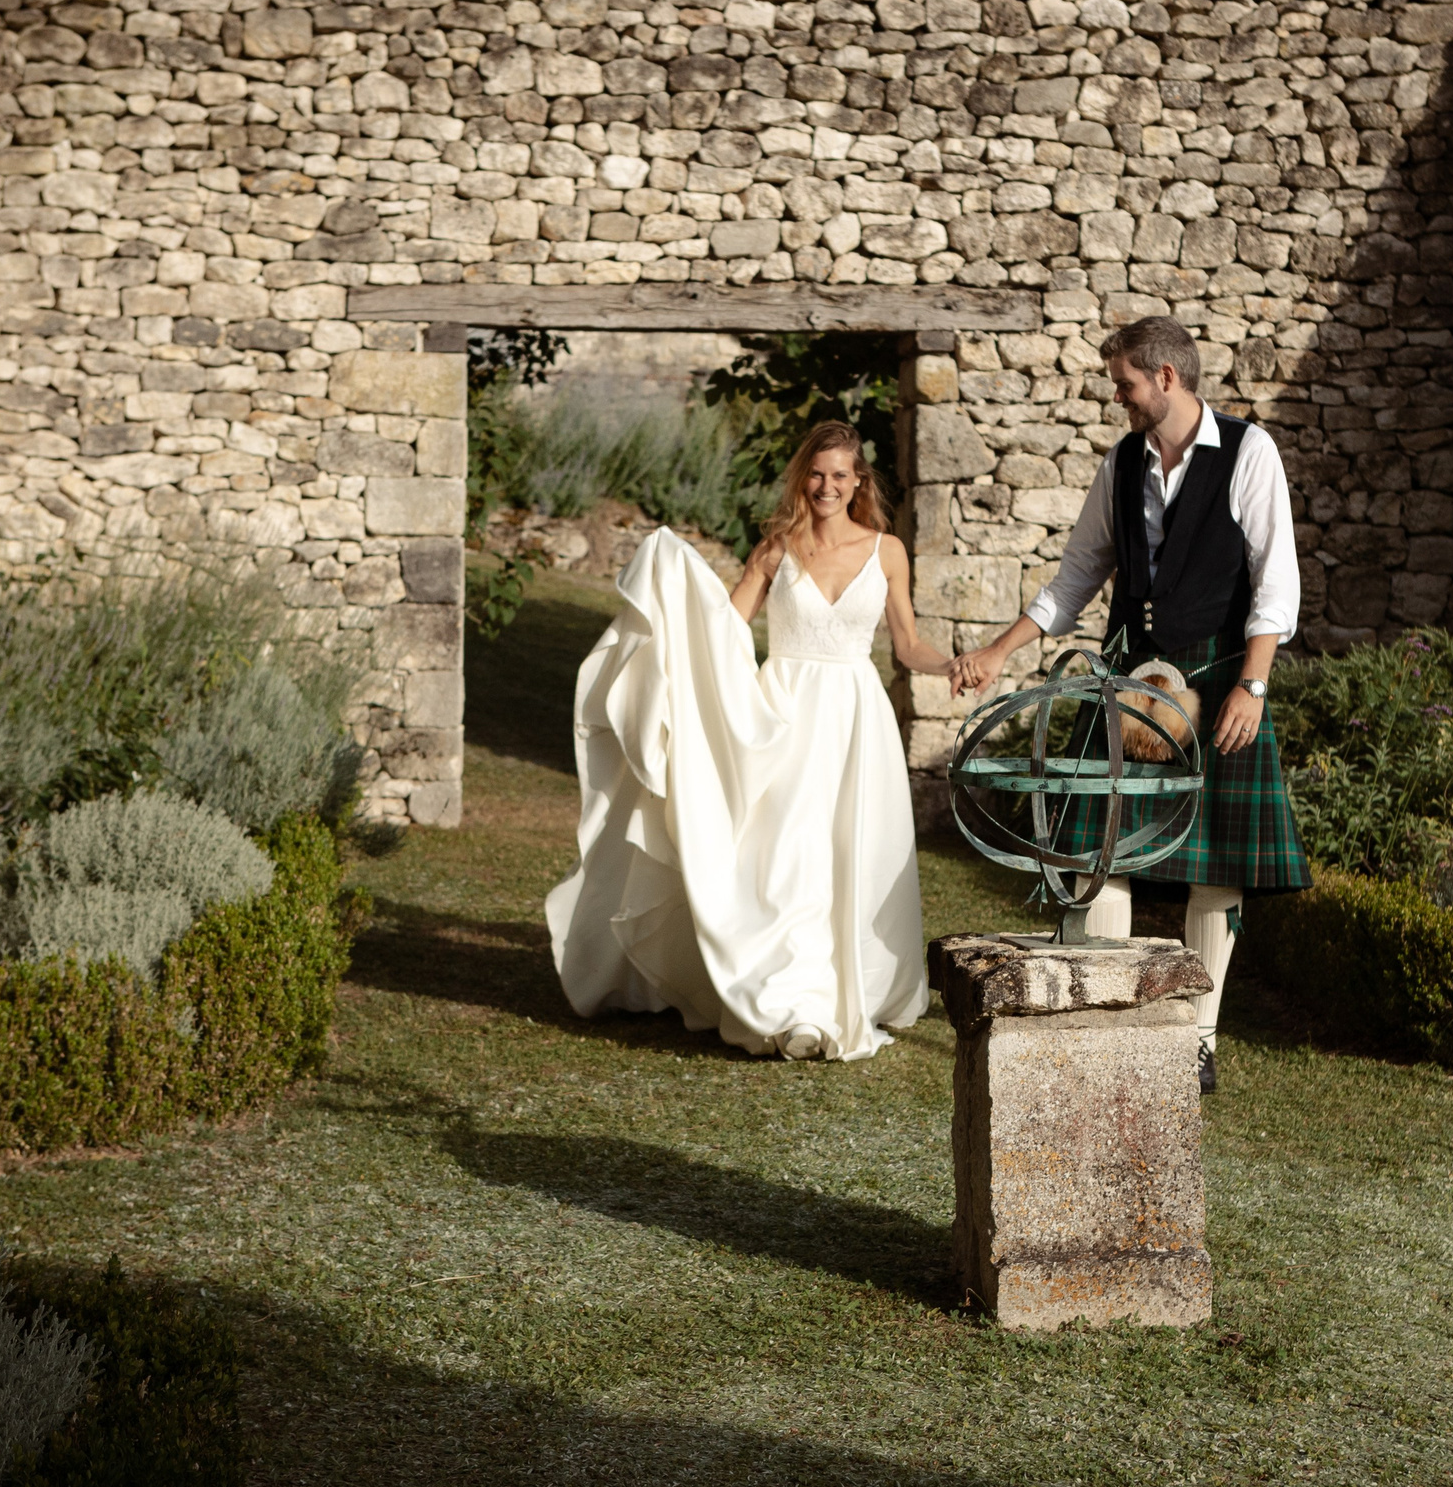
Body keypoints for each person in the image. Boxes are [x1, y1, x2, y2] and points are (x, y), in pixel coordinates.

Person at [951, 315, 1312, 1094]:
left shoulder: (1249, 452)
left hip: (1218, 681)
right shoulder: (1120, 463)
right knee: (1099, 853)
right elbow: (1076, 576)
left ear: (1167, 378)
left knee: (1216, 872)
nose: (1117, 397)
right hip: (1124, 684)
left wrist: (1253, 684)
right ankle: (1110, 1027)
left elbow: (1275, 581)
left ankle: (1198, 1043)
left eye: (1125, 384)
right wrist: (999, 650)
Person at [547, 422, 952, 1062]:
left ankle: (853, 986)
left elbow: (907, 644)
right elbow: (724, 630)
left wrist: (949, 665)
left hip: (856, 718)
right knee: (785, 856)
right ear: (802, 476)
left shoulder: (888, 551)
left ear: (858, 482)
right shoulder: (777, 548)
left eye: (839, 475)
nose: (826, 486)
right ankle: (790, 1000)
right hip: (782, 712)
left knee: (852, 849)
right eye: (815, 473)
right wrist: (673, 594)